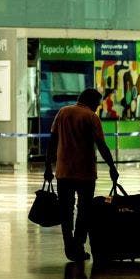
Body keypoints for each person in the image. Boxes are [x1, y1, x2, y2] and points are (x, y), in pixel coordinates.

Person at [45, 88, 119, 261]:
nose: (97, 108)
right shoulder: (91, 117)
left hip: (63, 172)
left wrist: (48, 167)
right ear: (91, 101)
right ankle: (78, 246)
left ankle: (68, 246)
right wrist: (112, 167)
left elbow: (52, 142)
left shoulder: (62, 112)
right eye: (97, 104)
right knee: (84, 211)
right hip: (85, 173)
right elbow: (101, 145)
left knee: (66, 211)